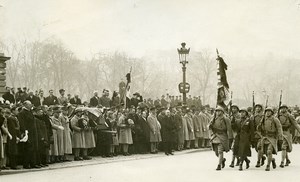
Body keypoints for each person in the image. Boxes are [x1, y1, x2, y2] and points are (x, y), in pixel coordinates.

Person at [257, 107, 283, 171]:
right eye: (266, 111)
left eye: (269, 111)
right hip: (264, 137)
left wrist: (280, 138)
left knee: (269, 151)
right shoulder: (263, 119)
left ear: (272, 112)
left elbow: (279, 129)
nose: (268, 112)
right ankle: (272, 160)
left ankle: (268, 165)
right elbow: (258, 129)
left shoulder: (275, 119)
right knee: (260, 149)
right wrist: (260, 124)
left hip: (272, 137)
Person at [209, 106, 233, 171]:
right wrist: (211, 133)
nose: (218, 112)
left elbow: (229, 129)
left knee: (220, 151)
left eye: (219, 111)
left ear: (222, 112)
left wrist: (230, 138)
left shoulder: (226, 119)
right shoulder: (213, 118)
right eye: (216, 111)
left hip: (223, 136)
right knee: (216, 152)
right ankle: (222, 160)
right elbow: (209, 127)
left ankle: (219, 165)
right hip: (215, 136)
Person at [18, 101, 41, 169]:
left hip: (33, 132)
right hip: (27, 132)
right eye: (29, 104)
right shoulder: (22, 113)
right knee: (28, 148)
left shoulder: (30, 111)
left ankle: (33, 163)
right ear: (25, 105)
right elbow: (22, 123)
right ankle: (26, 164)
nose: (31, 105)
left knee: (33, 148)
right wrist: (25, 131)